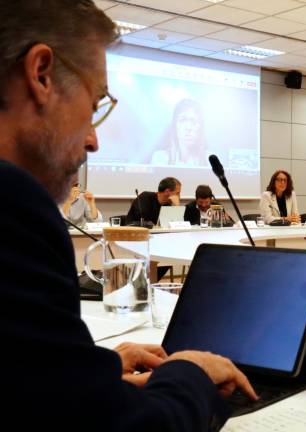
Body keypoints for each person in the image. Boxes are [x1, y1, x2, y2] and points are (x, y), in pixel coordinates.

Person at [0, 2, 256, 429]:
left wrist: (87, 371)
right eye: (96, 103)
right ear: (41, 73)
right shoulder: (13, 205)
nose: (94, 139)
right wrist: (189, 371)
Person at [150, 98, 207, 167]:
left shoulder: (210, 160)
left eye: (193, 121)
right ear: (175, 126)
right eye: (183, 120)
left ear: (200, 127)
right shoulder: (160, 159)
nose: (188, 127)